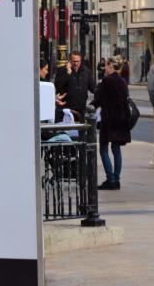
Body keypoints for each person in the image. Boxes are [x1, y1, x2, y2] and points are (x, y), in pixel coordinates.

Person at [91, 55, 130, 189]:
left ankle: (110, 179)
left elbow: (98, 99)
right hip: (121, 119)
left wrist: (89, 108)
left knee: (103, 148)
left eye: (106, 66)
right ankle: (116, 179)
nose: (104, 68)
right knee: (116, 148)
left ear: (110, 66)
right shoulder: (123, 81)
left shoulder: (107, 81)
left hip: (109, 119)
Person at [54, 51, 95, 123]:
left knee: (81, 133)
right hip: (66, 109)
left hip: (81, 110)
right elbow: (58, 85)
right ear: (70, 61)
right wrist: (68, 73)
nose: (76, 64)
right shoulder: (62, 70)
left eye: (78, 61)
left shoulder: (86, 71)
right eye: (74, 61)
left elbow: (93, 88)